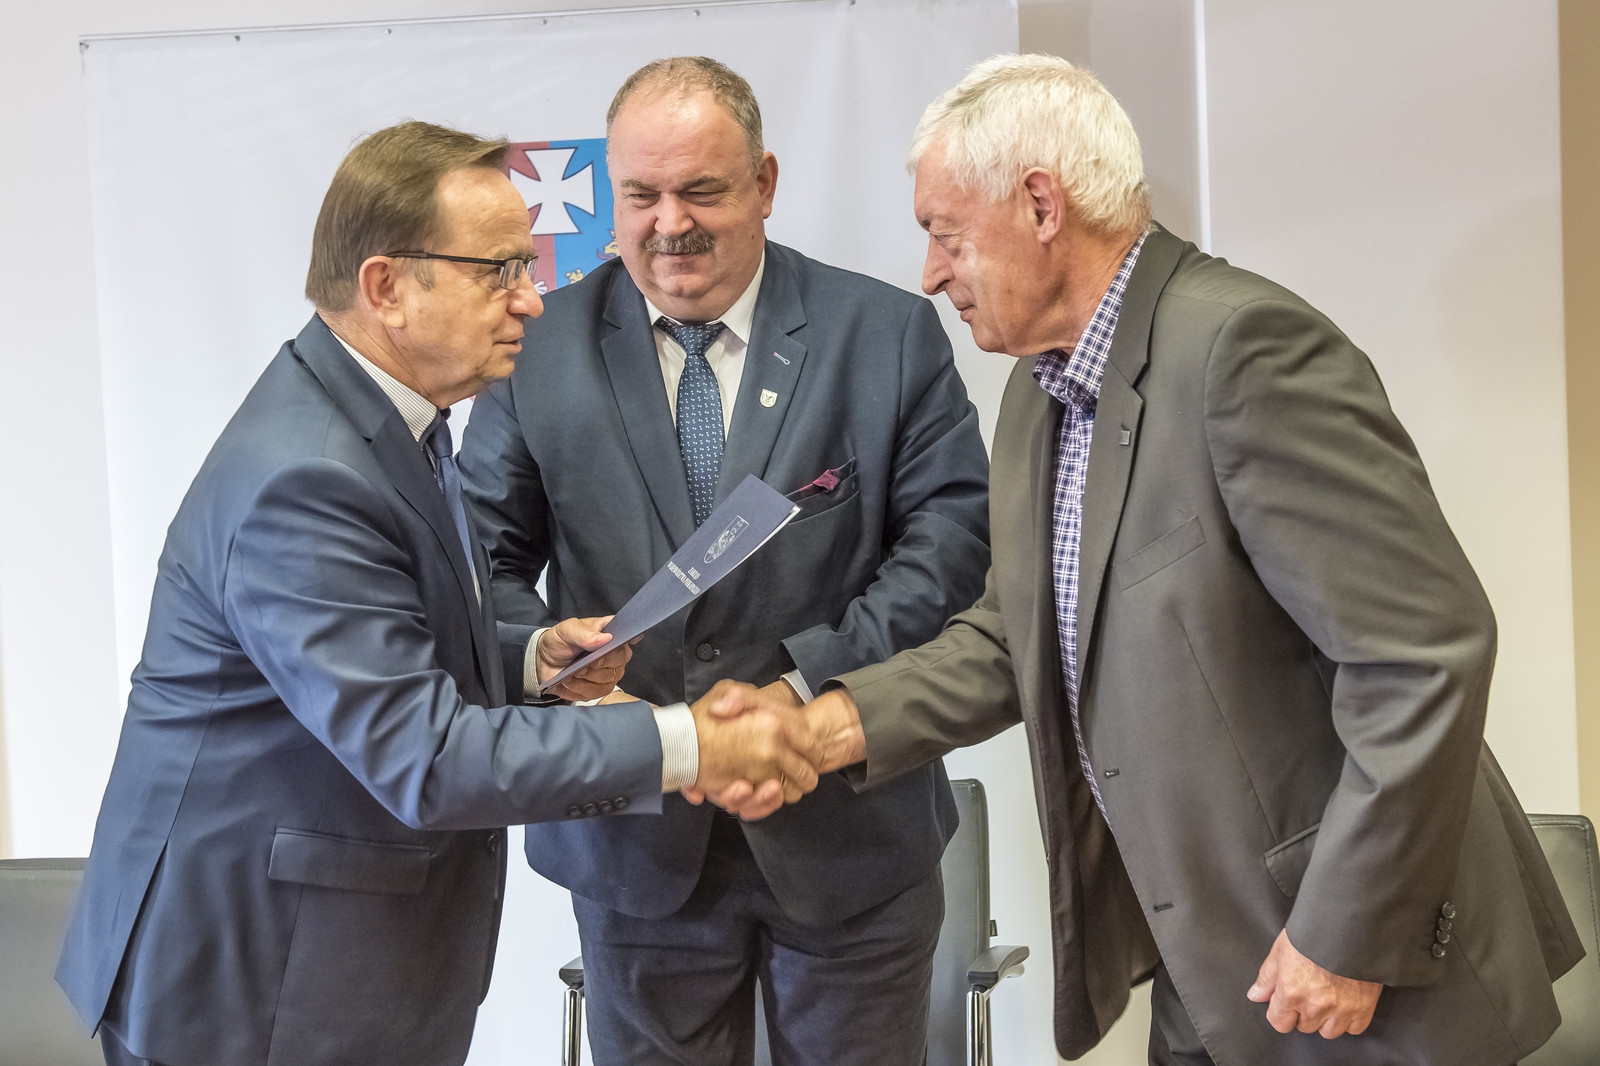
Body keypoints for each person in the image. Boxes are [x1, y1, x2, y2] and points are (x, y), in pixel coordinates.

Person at [723, 54, 1584, 1065]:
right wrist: (818, 725)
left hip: (1352, 967)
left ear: (1041, 204)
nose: (931, 273)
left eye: (947, 235)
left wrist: (1346, 932)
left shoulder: (1244, 352)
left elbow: (1422, 656)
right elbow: (1014, 636)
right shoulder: (1038, 391)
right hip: (1211, 963)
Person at [55, 120, 823, 1066]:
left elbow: (381, 637)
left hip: (317, 964)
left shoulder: (389, 418)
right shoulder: (308, 475)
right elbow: (425, 757)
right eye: (497, 270)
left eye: (525, 267)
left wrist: (529, 659)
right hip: (253, 990)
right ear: (386, 287)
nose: (531, 298)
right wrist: (690, 741)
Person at [457, 57, 990, 1066]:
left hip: (850, 836)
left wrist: (801, 696)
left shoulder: (884, 334)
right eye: (641, 195)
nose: (671, 224)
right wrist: (551, 659)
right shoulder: (539, 347)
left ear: (764, 182)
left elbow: (950, 550)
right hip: (633, 844)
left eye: (701, 190)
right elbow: (477, 564)